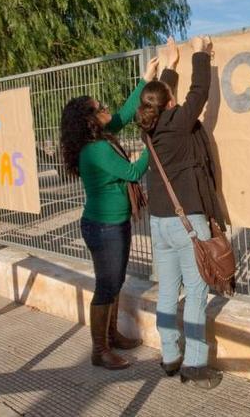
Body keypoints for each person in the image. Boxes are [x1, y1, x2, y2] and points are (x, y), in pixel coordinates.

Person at [60, 40, 178, 371]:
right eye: (100, 107)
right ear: (89, 120)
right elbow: (131, 172)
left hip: (114, 223)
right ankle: (100, 349)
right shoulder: (94, 149)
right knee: (107, 284)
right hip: (104, 226)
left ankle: (111, 336)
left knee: (115, 280)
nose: (106, 108)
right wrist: (152, 140)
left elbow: (126, 114)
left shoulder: (99, 136)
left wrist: (145, 78)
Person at [137, 35, 226, 389]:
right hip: (187, 222)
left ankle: (170, 356)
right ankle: (195, 365)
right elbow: (199, 92)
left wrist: (168, 68)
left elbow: (160, 100)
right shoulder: (177, 121)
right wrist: (200, 54)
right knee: (196, 292)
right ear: (171, 102)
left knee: (167, 291)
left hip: (158, 223)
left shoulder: (149, 126)